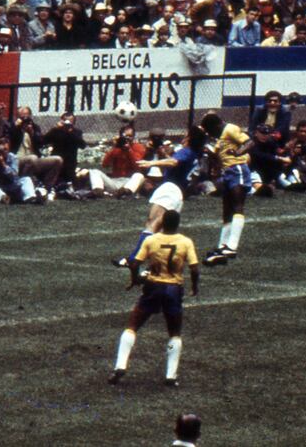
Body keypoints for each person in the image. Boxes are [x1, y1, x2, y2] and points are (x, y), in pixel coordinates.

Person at [108, 210, 198, 388]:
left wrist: (135, 279)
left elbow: (134, 263)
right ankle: (171, 376)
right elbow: (194, 268)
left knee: (132, 325)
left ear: (163, 222)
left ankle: (120, 365)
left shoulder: (151, 240)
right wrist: (195, 287)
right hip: (173, 289)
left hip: (153, 287)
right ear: (178, 224)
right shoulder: (186, 242)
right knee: (174, 332)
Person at [112, 125, 205, 268]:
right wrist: (162, 155)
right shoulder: (194, 153)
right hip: (178, 192)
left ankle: (134, 260)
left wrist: (151, 162)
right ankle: (153, 266)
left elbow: (173, 162)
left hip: (170, 189)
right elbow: (174, 164)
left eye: (186, 134)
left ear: (190, 138)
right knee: (162, 230)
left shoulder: (186, 151)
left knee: (152, 224)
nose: (184, 136)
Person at [201, 113, 253, 265]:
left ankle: (232, 246)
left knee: (237, 206)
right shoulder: (220, 138)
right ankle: (223, 245)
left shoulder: (230, 129)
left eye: (209, 131)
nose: (210, 134)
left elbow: (249, 142)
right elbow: (218, 155)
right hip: (227, 172)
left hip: (238, 169)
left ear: (215, 126)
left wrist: (238, 153)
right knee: (227, 210)